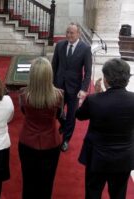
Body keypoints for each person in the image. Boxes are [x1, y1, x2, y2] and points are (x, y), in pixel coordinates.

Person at [76, 58, 134, 199]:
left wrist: (94, 95)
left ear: (106, 79)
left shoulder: (94, 100)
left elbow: (80, 115)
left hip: (97, 157)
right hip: (123, 157)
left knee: (93, 193)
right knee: (119, 194)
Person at [18, 57, 63, 199]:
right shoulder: (59, 95)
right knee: (47, 183)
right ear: (50, 74)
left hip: (27, 142)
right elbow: (59, 116)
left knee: (28, 182)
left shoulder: (23, 94)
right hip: (51, 143)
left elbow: (24, 112)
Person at [52, 22, 92, 152]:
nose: (68, 35)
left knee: (71, 116)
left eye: (72, 32)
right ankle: (63, 125)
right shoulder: (59, 45)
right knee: (56, 111)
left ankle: (66, 140)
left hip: (75, 89)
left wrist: (84, 89)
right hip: (58, 86)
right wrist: (51, 84)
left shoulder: (85, 48)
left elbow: (88, 71)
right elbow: (54, 66)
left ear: (78, 34)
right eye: (67, 32)